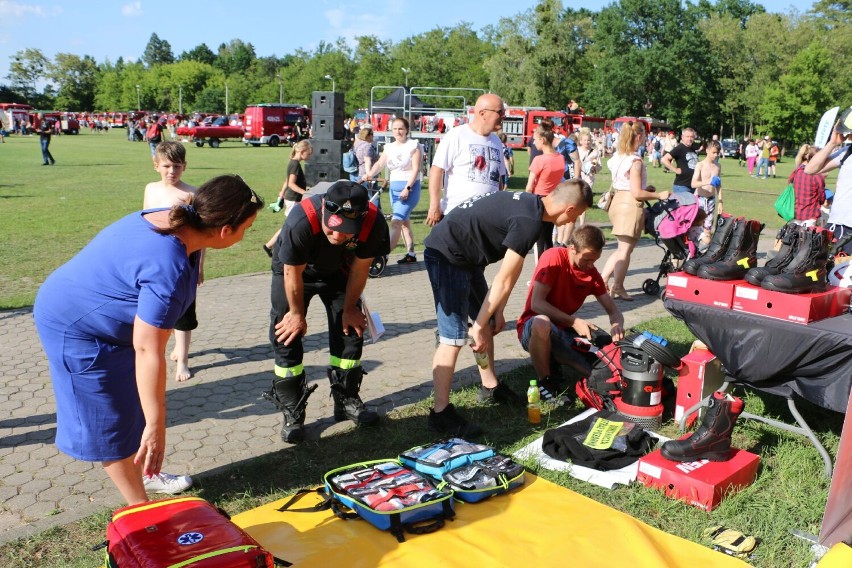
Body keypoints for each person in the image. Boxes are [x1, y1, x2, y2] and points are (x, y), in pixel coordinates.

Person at [33, 175, 263, 505]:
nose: (245, 236)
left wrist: (150, 419)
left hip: (107, 324)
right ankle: (139, 509)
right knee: (110, 418)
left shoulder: (178, 218)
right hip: (75, 328)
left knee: (135, 405)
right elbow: (147, 349)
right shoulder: (167, 265)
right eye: (247, 228)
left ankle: (146, 474)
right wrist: (157, 426)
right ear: (226, 230)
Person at [424, 179, 593, 437]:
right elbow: (502, 278)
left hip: (466, 258)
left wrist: (497, 312)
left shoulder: (534, 207)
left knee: (489, 323)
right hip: (446, 254)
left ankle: (490, 385)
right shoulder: (529, 221)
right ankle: (440, 413)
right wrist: (478, 326)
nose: (573, 222)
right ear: (569, 210)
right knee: (454, 337)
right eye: (578, 215)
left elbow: (511, 276)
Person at [265, 181, 390, 443]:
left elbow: (359, 269)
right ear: (324, 210)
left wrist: (349, 309)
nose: (337, 237)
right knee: (286, 334)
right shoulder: (302, 219)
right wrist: (297, 315)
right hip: (295, 273)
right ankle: (293, 413)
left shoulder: (373, 222)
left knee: (351, 332)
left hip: (339, 273)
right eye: (332, 229)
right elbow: (291, 272)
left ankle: (346, 400)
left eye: (346, 233)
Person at [517, 225, 625, 403]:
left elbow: (613, 309)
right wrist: (574, 321)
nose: (590, 265)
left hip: (562, 330)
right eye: (587, 259)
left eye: (595, 260)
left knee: (600, 360)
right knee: (542, 323)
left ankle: (602, 377)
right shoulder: (554, 257)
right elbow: (537, 303)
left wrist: (616, 325)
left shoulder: (591, 273)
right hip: (532, 327)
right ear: (572, 248)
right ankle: (546, 382)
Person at [142, 142, 201, 383]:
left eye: (177, 166)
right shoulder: (150, 189)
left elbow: (199, 234)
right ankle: (167, 348)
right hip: (156, 259)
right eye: (166, 166)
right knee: (159, 307)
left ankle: (183, 360)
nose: (172, 171)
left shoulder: (191, 194)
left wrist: (200, 268)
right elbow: (144, 222)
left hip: (184, 259)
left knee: (184, 310)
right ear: (156, 166)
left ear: (184, 166)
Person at [600, 121, 671, 301]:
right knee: (625, 251)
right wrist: (659, 195)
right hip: (630, 206)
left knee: (621, 248)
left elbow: (631, 186)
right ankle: (618, 286)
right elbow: (637, 192)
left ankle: (603, 280)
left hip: (616, 203)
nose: (646, 139)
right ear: (638, 136)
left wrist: (648, 189)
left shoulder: (618, 157)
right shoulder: (635, 161)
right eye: (645, 136)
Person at [426, 93, 507, 225]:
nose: (503, 115)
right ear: (482, 113)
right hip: (457, 215)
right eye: (500, 112)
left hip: (487, 218)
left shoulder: (497, 141)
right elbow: (437, 170)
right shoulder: (456, 135)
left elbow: (499, 180)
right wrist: (434, 206)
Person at [361, 117, 423, 264]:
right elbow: (380, 164)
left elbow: (416, 169)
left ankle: (383, 254)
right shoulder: (389, 147)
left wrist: (408, 188)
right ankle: (411, 253)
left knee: (396, 222)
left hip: (409, 188)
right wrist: (369, 174)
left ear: (407, 130)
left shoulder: (413, 145)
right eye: (395, 128)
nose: (397, 131)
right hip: (394, 190)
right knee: (404, 222)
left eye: (401, 128)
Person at [264, 140, 313, 256]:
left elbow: (287, 181)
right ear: (302, 151)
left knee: (290, 225)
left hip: (293, 198)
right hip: (294, 199)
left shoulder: (293, 163)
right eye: (309, 153)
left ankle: (270, 246)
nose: (310, 156)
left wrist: (282, 192)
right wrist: (305, 193)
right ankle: (270, 246)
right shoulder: (295, 164)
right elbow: (291, 183)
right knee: (289, 226)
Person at [526, 123, 566, 253]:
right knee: (548, 238)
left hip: (539, 201)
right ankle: (549, 268)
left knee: (539, 242)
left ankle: (541, 270)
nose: (533, 143)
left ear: (542, 140)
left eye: (535, 140)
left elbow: (529, 187)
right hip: (554, 200)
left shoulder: (539, 160)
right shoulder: (560, 158)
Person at [690, 139, 723, 247]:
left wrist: (721, 201)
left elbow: (718, 185)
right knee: (695, 228)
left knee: (708, 229)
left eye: (717, 153)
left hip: (711, 200)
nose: (716, 155)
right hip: (699, 199)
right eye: (713, 152)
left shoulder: (718, 166)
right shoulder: (700, 165)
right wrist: (708, 181)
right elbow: (693, 184)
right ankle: (692, 251)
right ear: (707, 150)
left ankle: (704, 253)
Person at [791, 144, 826, 227]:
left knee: (792, 238)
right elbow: (822, 198)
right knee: (807, 239)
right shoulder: (817, 176)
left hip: (794, 212)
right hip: (810, 215)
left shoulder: (797, 172)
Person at [661, 127, 700, 193]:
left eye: (692, 137)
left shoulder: (693, 148)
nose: (690, 139)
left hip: (693, 185)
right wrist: (675, 170)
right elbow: (664, 159)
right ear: (682, 137)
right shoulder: (680, 148)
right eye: (687, 136)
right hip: (682, 186)